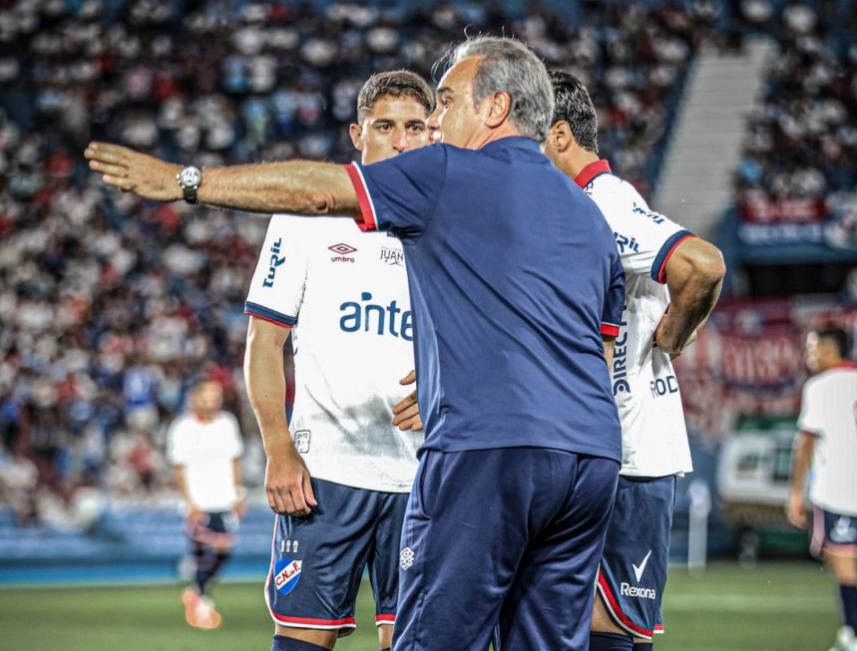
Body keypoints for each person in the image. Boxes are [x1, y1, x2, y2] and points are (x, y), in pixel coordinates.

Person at [85, 36, 625, 650]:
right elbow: (592, 345)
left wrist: (188, 181)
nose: (436, 121)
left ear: (495, 108)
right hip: (591, 458)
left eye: (445, 103)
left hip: (487, 453)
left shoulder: (449, 172)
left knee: (434, 639)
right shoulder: (587, 215)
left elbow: (318, 192)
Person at [244, 70, 430, 651]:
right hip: (324, 475)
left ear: (434, 134)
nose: (401, 140)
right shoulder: (305, 217)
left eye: (416, 128)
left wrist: (449, 385)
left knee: (418, 641)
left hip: (424, 475)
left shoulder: (450, 223)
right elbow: (264, 342)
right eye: (385, 127)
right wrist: (278, 448)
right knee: (303, 640)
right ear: (357, 133)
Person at [542, 71, 726, 651]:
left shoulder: (606, 204)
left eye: (530, 137)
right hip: (602, 450)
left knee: (610, 627)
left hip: (631, 455)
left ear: (561, 135)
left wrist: (673, 334)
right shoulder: (587, 206)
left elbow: (703, 264)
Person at [788, 328, 857, 651]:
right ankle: (851, 632)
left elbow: (806, 441)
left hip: (837, 488)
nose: (807, 355)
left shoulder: (819, 386)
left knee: (843, 561)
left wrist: (795, 491)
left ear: (827, 348)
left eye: (811, 347)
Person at [166, 377, 245, 630]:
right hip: (199, 501)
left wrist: (239, 494)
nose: (213, 400)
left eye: (217, 395)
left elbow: (235, 460)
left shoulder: (227, 423)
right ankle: (202, 603)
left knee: (224, 551)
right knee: (201, 552)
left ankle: (196, 592)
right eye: (208, 395)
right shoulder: (182, 428)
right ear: (195, 397)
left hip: (224, 499)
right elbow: (178, 468)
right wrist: (189, 502)